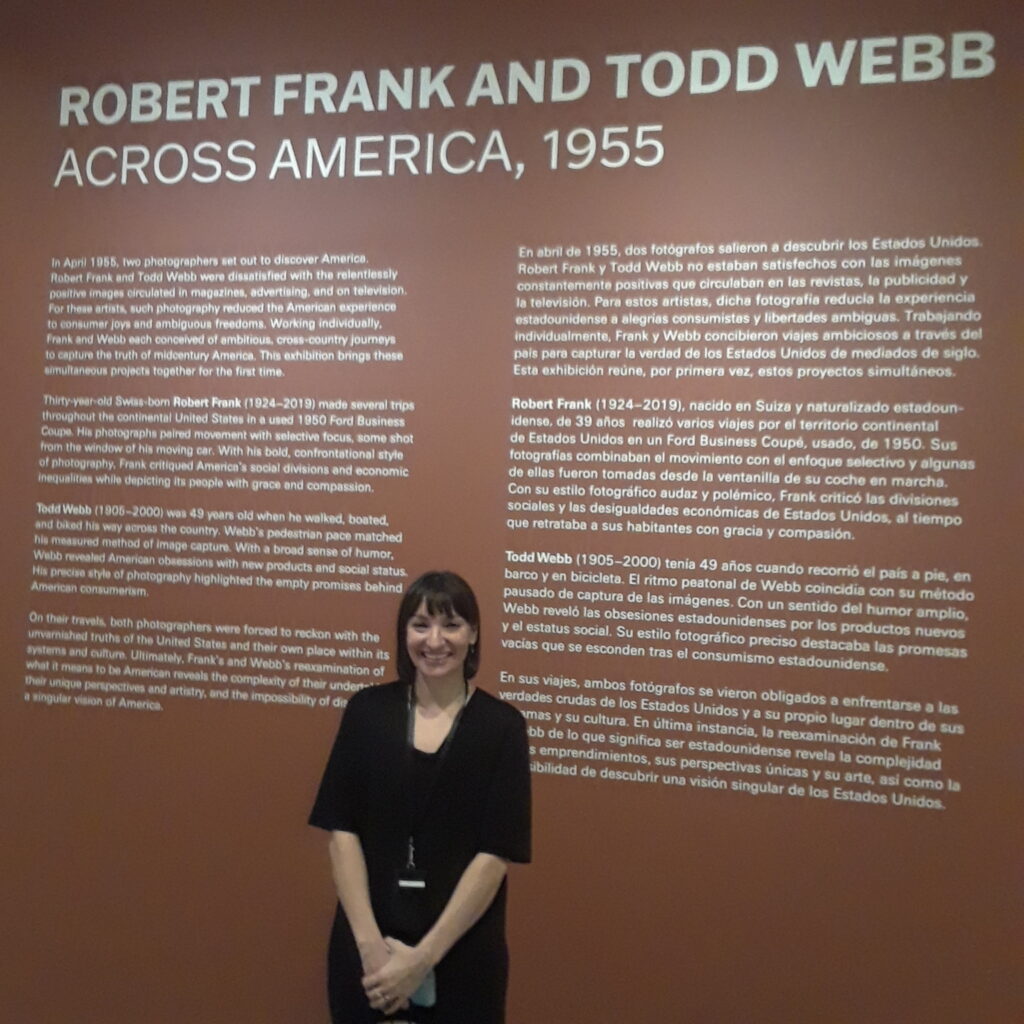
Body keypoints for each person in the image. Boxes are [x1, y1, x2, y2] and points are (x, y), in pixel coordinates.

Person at [309, 570, 532, 1023]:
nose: (435, 640)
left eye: (451, 625)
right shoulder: (367, 712)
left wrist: (422, 959)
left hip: (461, 953)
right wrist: (371, 950)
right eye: (420, 624)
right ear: (402, 634)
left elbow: (493, 858)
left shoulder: (502, 728)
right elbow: (342, 833)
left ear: (474, 635)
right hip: (369, 951)